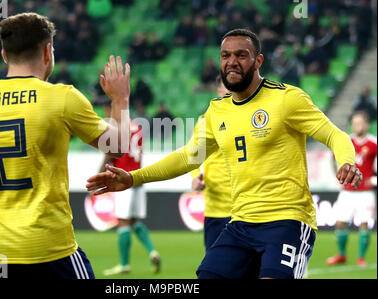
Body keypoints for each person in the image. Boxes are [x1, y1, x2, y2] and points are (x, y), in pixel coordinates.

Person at [86, 28, 363, 279]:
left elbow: (334, 134)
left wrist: (347, 161)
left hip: (287, 220)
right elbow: (187, 157)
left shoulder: (287, 99)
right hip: (241, 223)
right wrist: (133, 178)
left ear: (258, 61)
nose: (232, 61)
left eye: (241, 55)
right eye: (225, 55)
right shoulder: (217, 111)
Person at [0, 13, 132, 279]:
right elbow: (119, 145)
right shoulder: (62, 98)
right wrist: (120, 100)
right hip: (50, 249)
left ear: (4, 55)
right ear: (47, 51)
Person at [97, 100, 161, 276]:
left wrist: (99, 174)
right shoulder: (137, 127)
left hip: (123, 180)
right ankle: (152, 252)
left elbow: (110, 154)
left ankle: (124, 264)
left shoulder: (117, 129)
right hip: (138, 180)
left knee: (123, 223)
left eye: (107, 109)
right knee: (134, 222)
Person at [326, 111, 377, 267]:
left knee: (363, 223)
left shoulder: (373, 143)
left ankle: (361, 257)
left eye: (360, 123)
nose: (357, 126)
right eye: (354, 123)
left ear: (367, 125)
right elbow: (333, 157)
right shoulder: (347, 141)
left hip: (365, 192)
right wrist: (337, 174)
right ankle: (342, 254)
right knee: (340, 223)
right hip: (347, 191)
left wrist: (374, 180)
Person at [190, 75, 232, 250]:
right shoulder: (205, 120)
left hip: (247, 209)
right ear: (219, 91)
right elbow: (193, 155)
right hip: (216, 210)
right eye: (226, 88)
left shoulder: (251, 119)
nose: (230, 92)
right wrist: (195, 178)